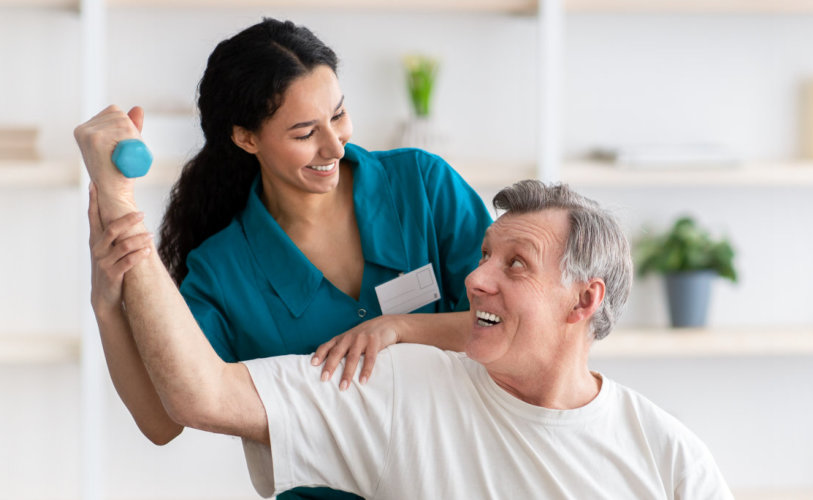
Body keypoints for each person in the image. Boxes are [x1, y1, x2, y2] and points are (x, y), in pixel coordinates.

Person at [87, 173, 733, 498]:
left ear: (583, 301)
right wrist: (124, 229)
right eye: (484, 255)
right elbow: (203, 395)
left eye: (515, 265)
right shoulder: (399, 385)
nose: (475, 278)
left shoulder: (672, 461)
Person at [74, 18, 492, 500]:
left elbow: (511, 327)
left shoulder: (423, 185)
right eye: (304, 133)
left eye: (338, 115)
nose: (335, 145)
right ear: (247, 138)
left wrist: (400, 328)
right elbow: (161, 420)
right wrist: (107, 308)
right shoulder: (223, 268)